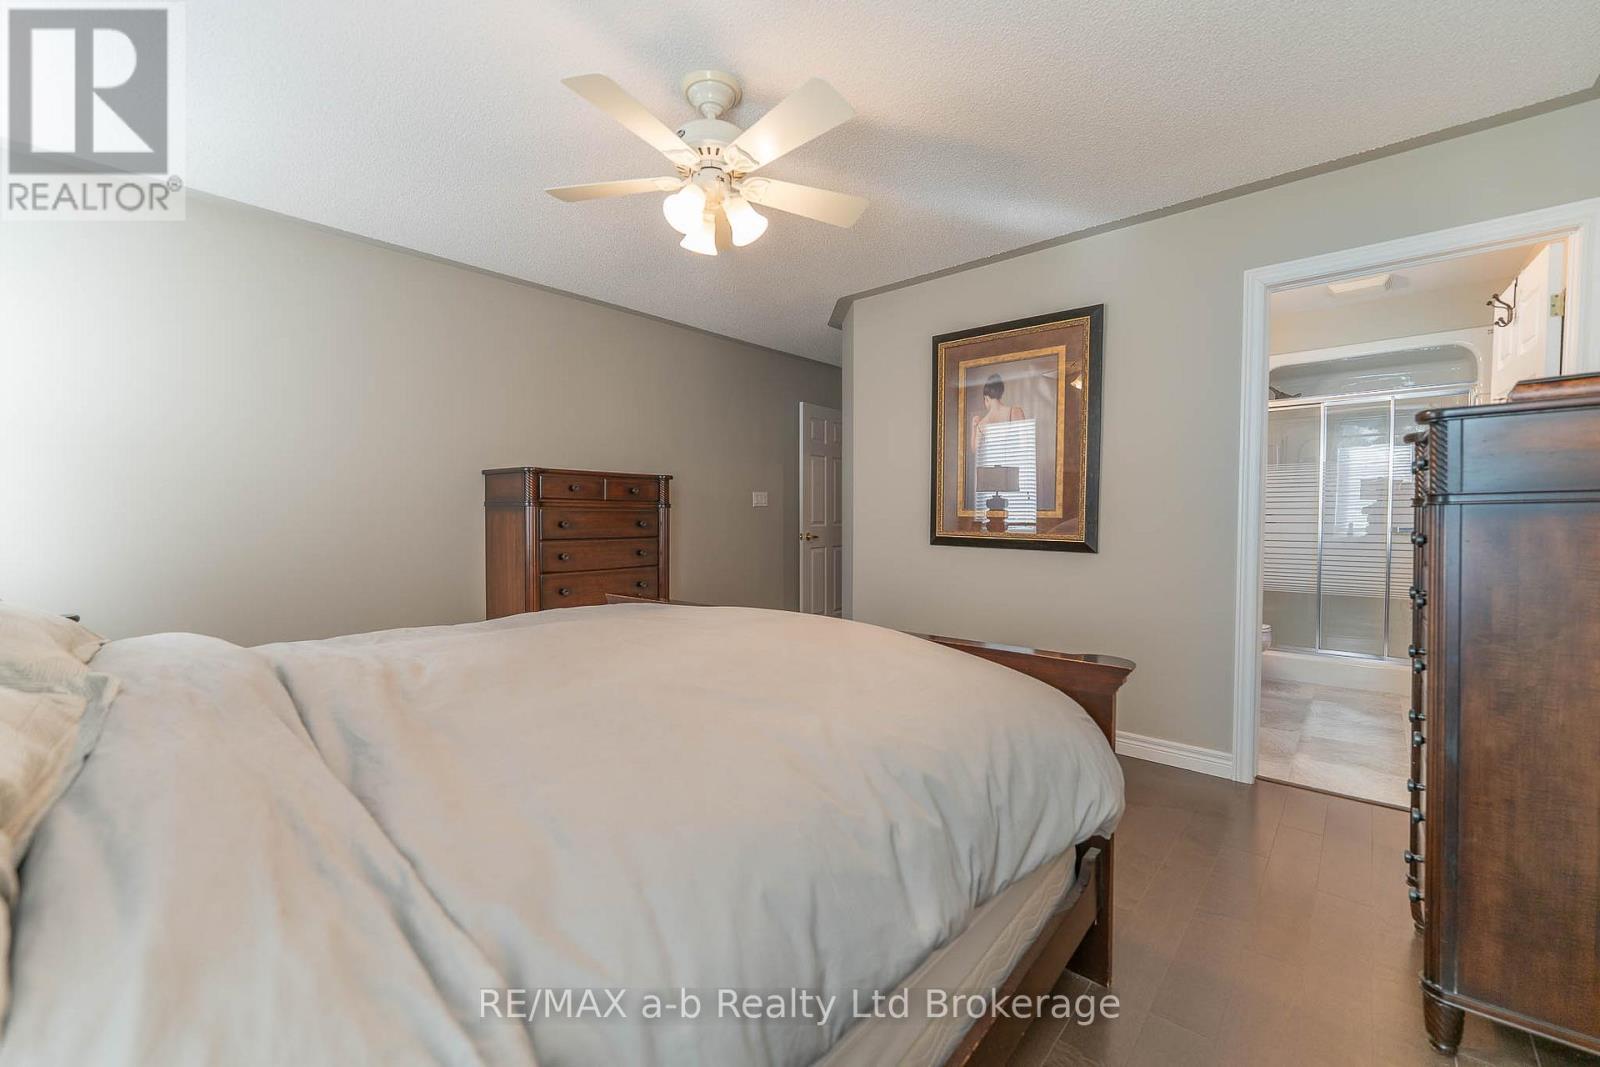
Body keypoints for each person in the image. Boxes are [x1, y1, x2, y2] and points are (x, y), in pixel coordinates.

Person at [970, 373, 1026, 451]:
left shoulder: (982, 424)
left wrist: (974, 428)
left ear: (986, 398)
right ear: (1001, 393)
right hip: (1013, 462)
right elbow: (1025, 445)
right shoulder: (1016, 412)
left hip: (991, 463)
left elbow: (975, 450)